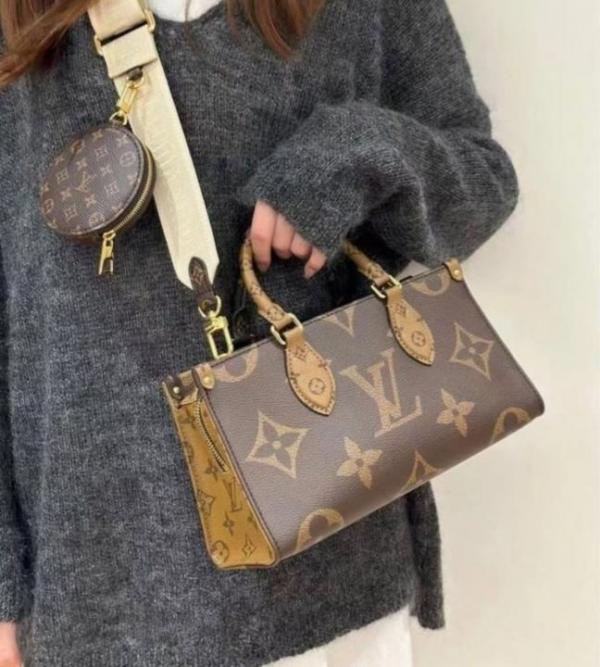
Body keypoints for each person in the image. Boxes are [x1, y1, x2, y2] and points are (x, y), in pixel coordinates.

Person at [0, 0, 519, 665]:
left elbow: (482, 182)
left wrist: (349, 154)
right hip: (102, 589)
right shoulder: (22, 24)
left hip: (329, 568)